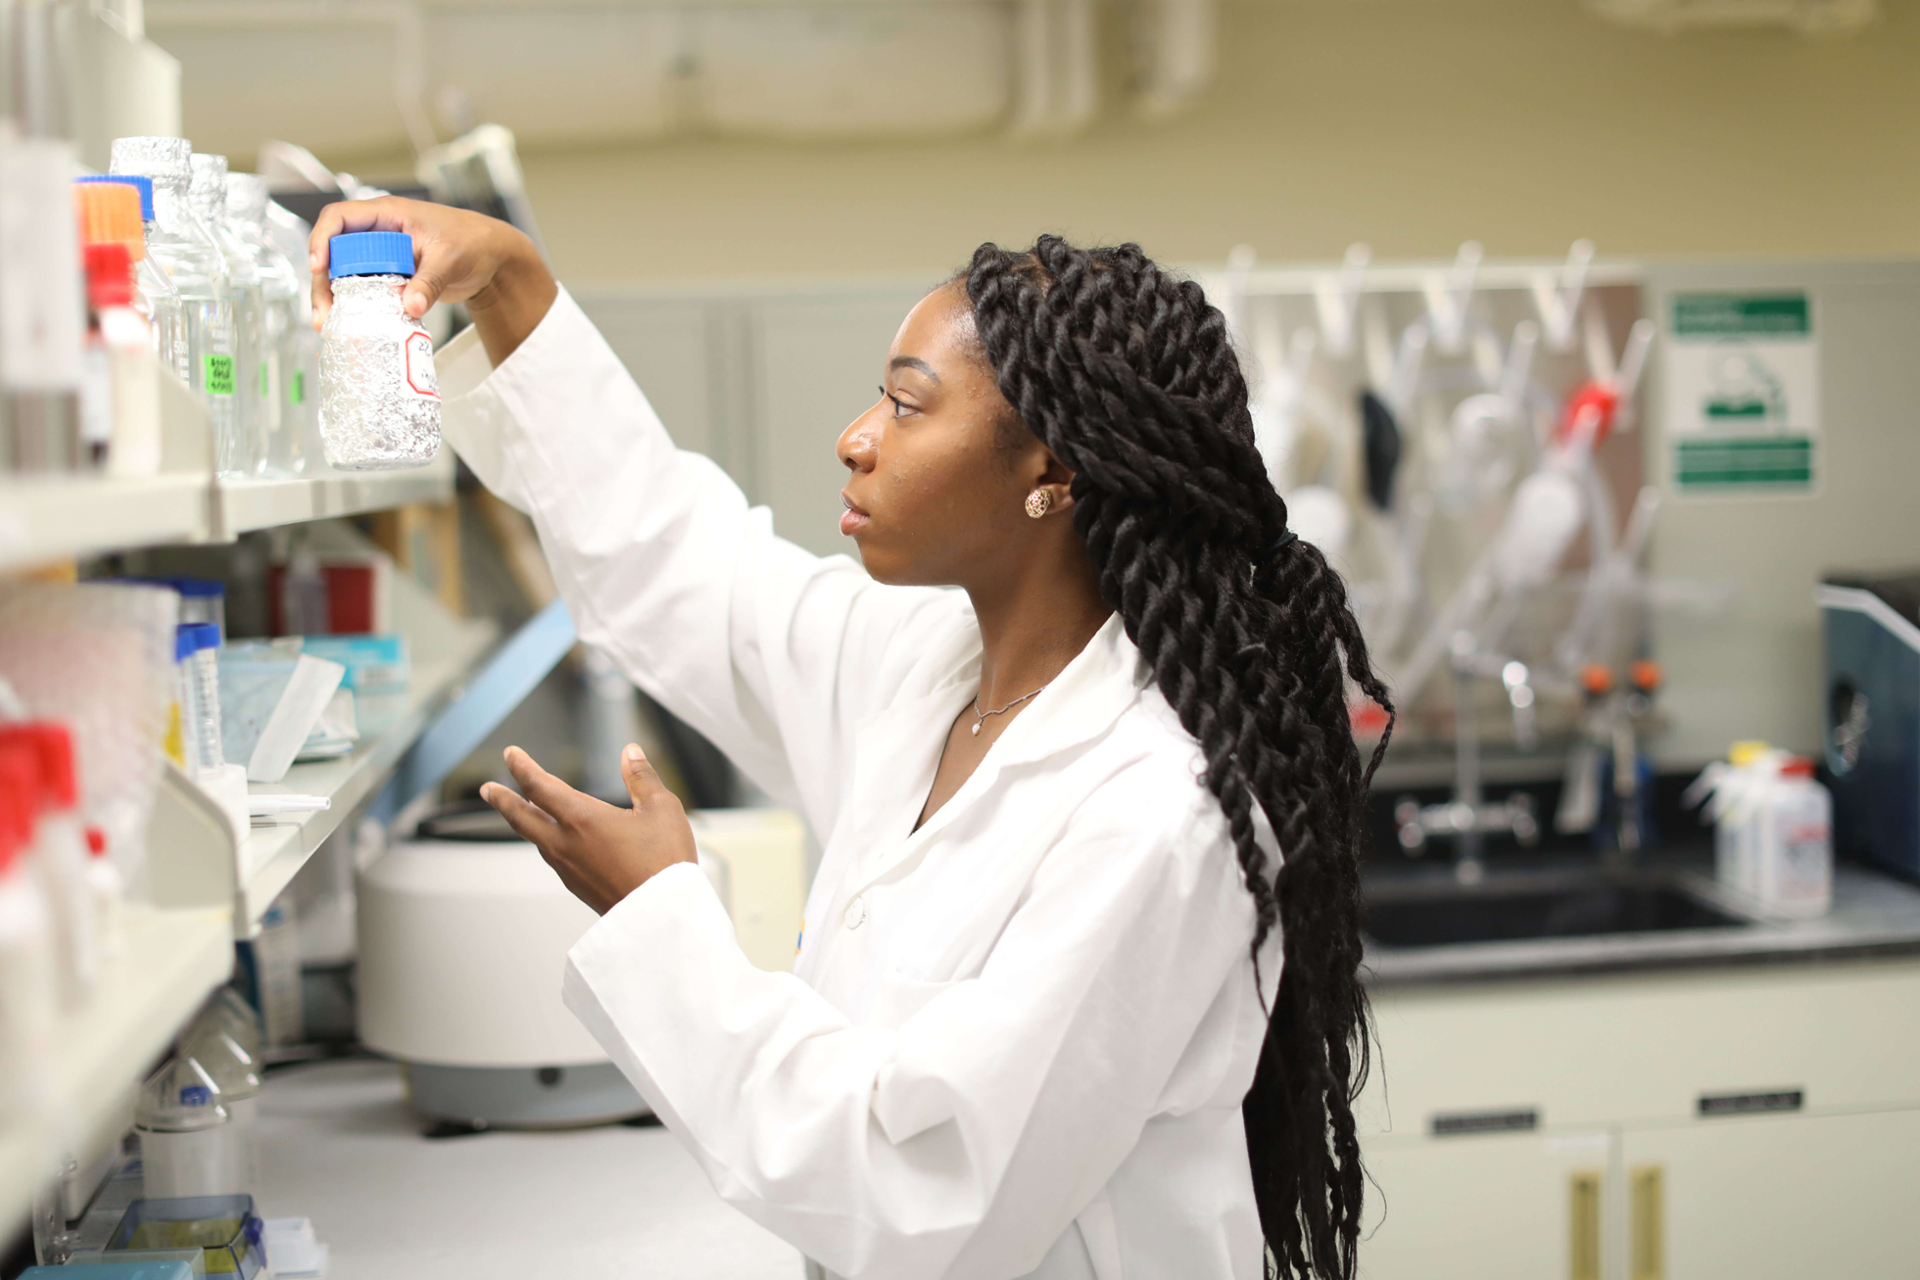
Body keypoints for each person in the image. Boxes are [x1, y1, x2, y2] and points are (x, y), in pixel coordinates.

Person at [308, 201, 1394, 1280]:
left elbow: (926, 1192)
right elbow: (685, 565)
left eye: (908, 405)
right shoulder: (924, 668)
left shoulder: (1158, 812)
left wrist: (664, 918)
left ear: (1052, 473)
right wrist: (510, 281)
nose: (858, 436)